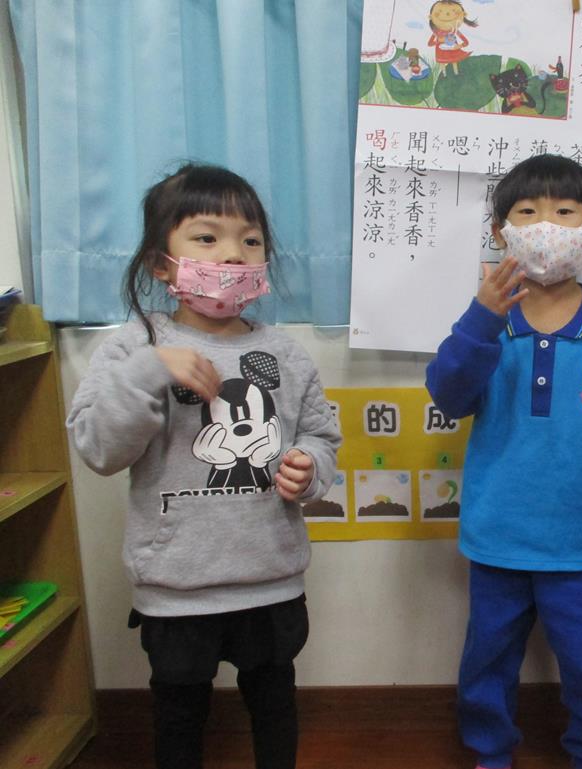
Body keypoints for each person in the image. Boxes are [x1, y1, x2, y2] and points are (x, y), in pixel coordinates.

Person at [66, 163, 342, 769]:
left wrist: (310, 466)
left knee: (274, 702)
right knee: (179, 712)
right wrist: (150, 369)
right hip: (176, 589)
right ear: (161, 263)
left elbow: (321, 436)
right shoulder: (134, 347)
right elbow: (99, 449)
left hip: (271, 578)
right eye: (207, 237)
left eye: (250, 240)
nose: (233, 254)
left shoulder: (285, 353)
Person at [426, 154, 582, 769]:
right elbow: (449, 396)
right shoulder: (487, 321)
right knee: (487, 657)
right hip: (497, 536)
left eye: (564, 212)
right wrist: (481, 318)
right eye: (528, 212)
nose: (546, 226)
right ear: (501, 232)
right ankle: (489, 750)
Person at [427, 0, 476, 77]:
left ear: (464, 15)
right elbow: (429, 44)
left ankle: (456, 74)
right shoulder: (436, 33)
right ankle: (444, 75)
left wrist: (459, 46)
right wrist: (439, 41)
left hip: (453, 52)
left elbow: (466, 42)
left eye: (455, 13)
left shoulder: (455, 31)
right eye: (438, 13)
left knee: (454, 63)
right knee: (442, 65)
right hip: (441, 53)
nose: (447, 14)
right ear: (430, 17)